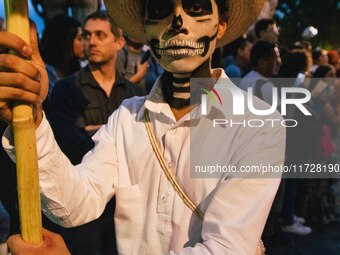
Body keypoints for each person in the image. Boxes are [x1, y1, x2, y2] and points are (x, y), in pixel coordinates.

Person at [0, 0, 285, 254]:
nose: (177, 23)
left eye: (195, 7)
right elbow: (76, 203)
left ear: (221, 24)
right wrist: (32, 118)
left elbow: (227, 247)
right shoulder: (127, 116)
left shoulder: (258, 124)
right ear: (146, 29)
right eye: (160, 9)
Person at [44, 11, 144, 255]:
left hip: (122, 209)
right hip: (82, 209)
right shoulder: (66, 89)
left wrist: (95, 131)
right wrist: (115, 140)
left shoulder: (134, 93)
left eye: (100, 35)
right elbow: (68, 140)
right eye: (87, 35)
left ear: (119, 42)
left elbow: (142, 145)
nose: (92, 42)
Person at [39, 14, 85, 98]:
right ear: (65, 41)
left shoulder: (78, 69)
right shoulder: (46, 73)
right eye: (80, 39)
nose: (84, 43)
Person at [239, 40, 282, 105]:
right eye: (275, 59)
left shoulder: (244, 81)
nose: (280, 62)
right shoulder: (265, 87)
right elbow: (283, 114)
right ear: (262, 62)